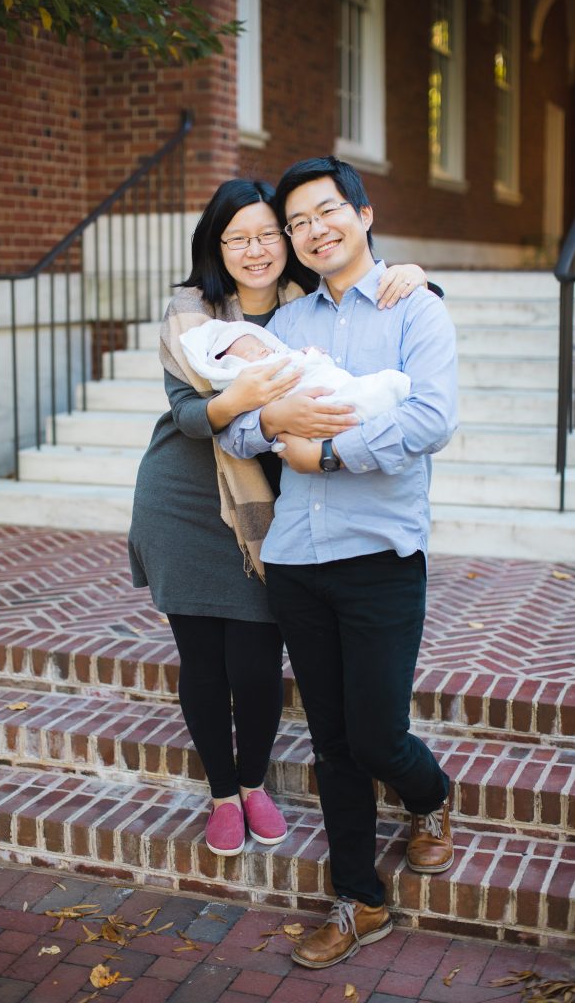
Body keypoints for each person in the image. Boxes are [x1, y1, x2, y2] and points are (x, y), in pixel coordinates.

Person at [128, 176, 432, 859]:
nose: (254, 248)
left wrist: (415, 277)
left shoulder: (306, 309)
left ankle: (253, 778)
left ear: (288, 239)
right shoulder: (192, 316)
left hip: (267, 513)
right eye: (236, 237)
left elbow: (380, 317)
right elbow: (186, 415)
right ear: (216, 245)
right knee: (203, 660)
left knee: (258, 659)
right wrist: (248, 404)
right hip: (182, 499)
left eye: (268, 232)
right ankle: (222, 794)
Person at [218, 156, 457, 965]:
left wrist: (328, 455)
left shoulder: (412, 306)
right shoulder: (284, 327)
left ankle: (429, 796)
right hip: (295, 559)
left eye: (326, 213)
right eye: (297, 224)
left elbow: (428, 419)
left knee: (377, 737)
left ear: (361, 213)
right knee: (329, 741)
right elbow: (237, 430)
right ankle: (358, 898)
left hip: (379, 557)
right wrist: (270, 418)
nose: (312, 232)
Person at [179, 318, 411, 419]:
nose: (260, 352)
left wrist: (309, 355)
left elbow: (310, 366)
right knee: (347, 402)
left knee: (360, 388)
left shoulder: (282, 351)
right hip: (309, 403)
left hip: (329, 383)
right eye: (249, 353)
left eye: (260, 346)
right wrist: (274, 419)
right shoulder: (254, 374)